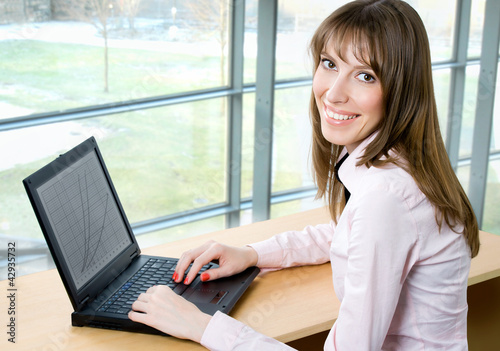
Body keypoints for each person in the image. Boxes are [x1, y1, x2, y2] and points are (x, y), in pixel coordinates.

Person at [128, 0, 480, 349]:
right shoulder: (400, 165)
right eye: (329, 64)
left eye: (365, 76)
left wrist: (202, 326)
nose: (334, 93)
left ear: (402, 91)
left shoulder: (386, 198)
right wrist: (252, 254)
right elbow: (348, 235)